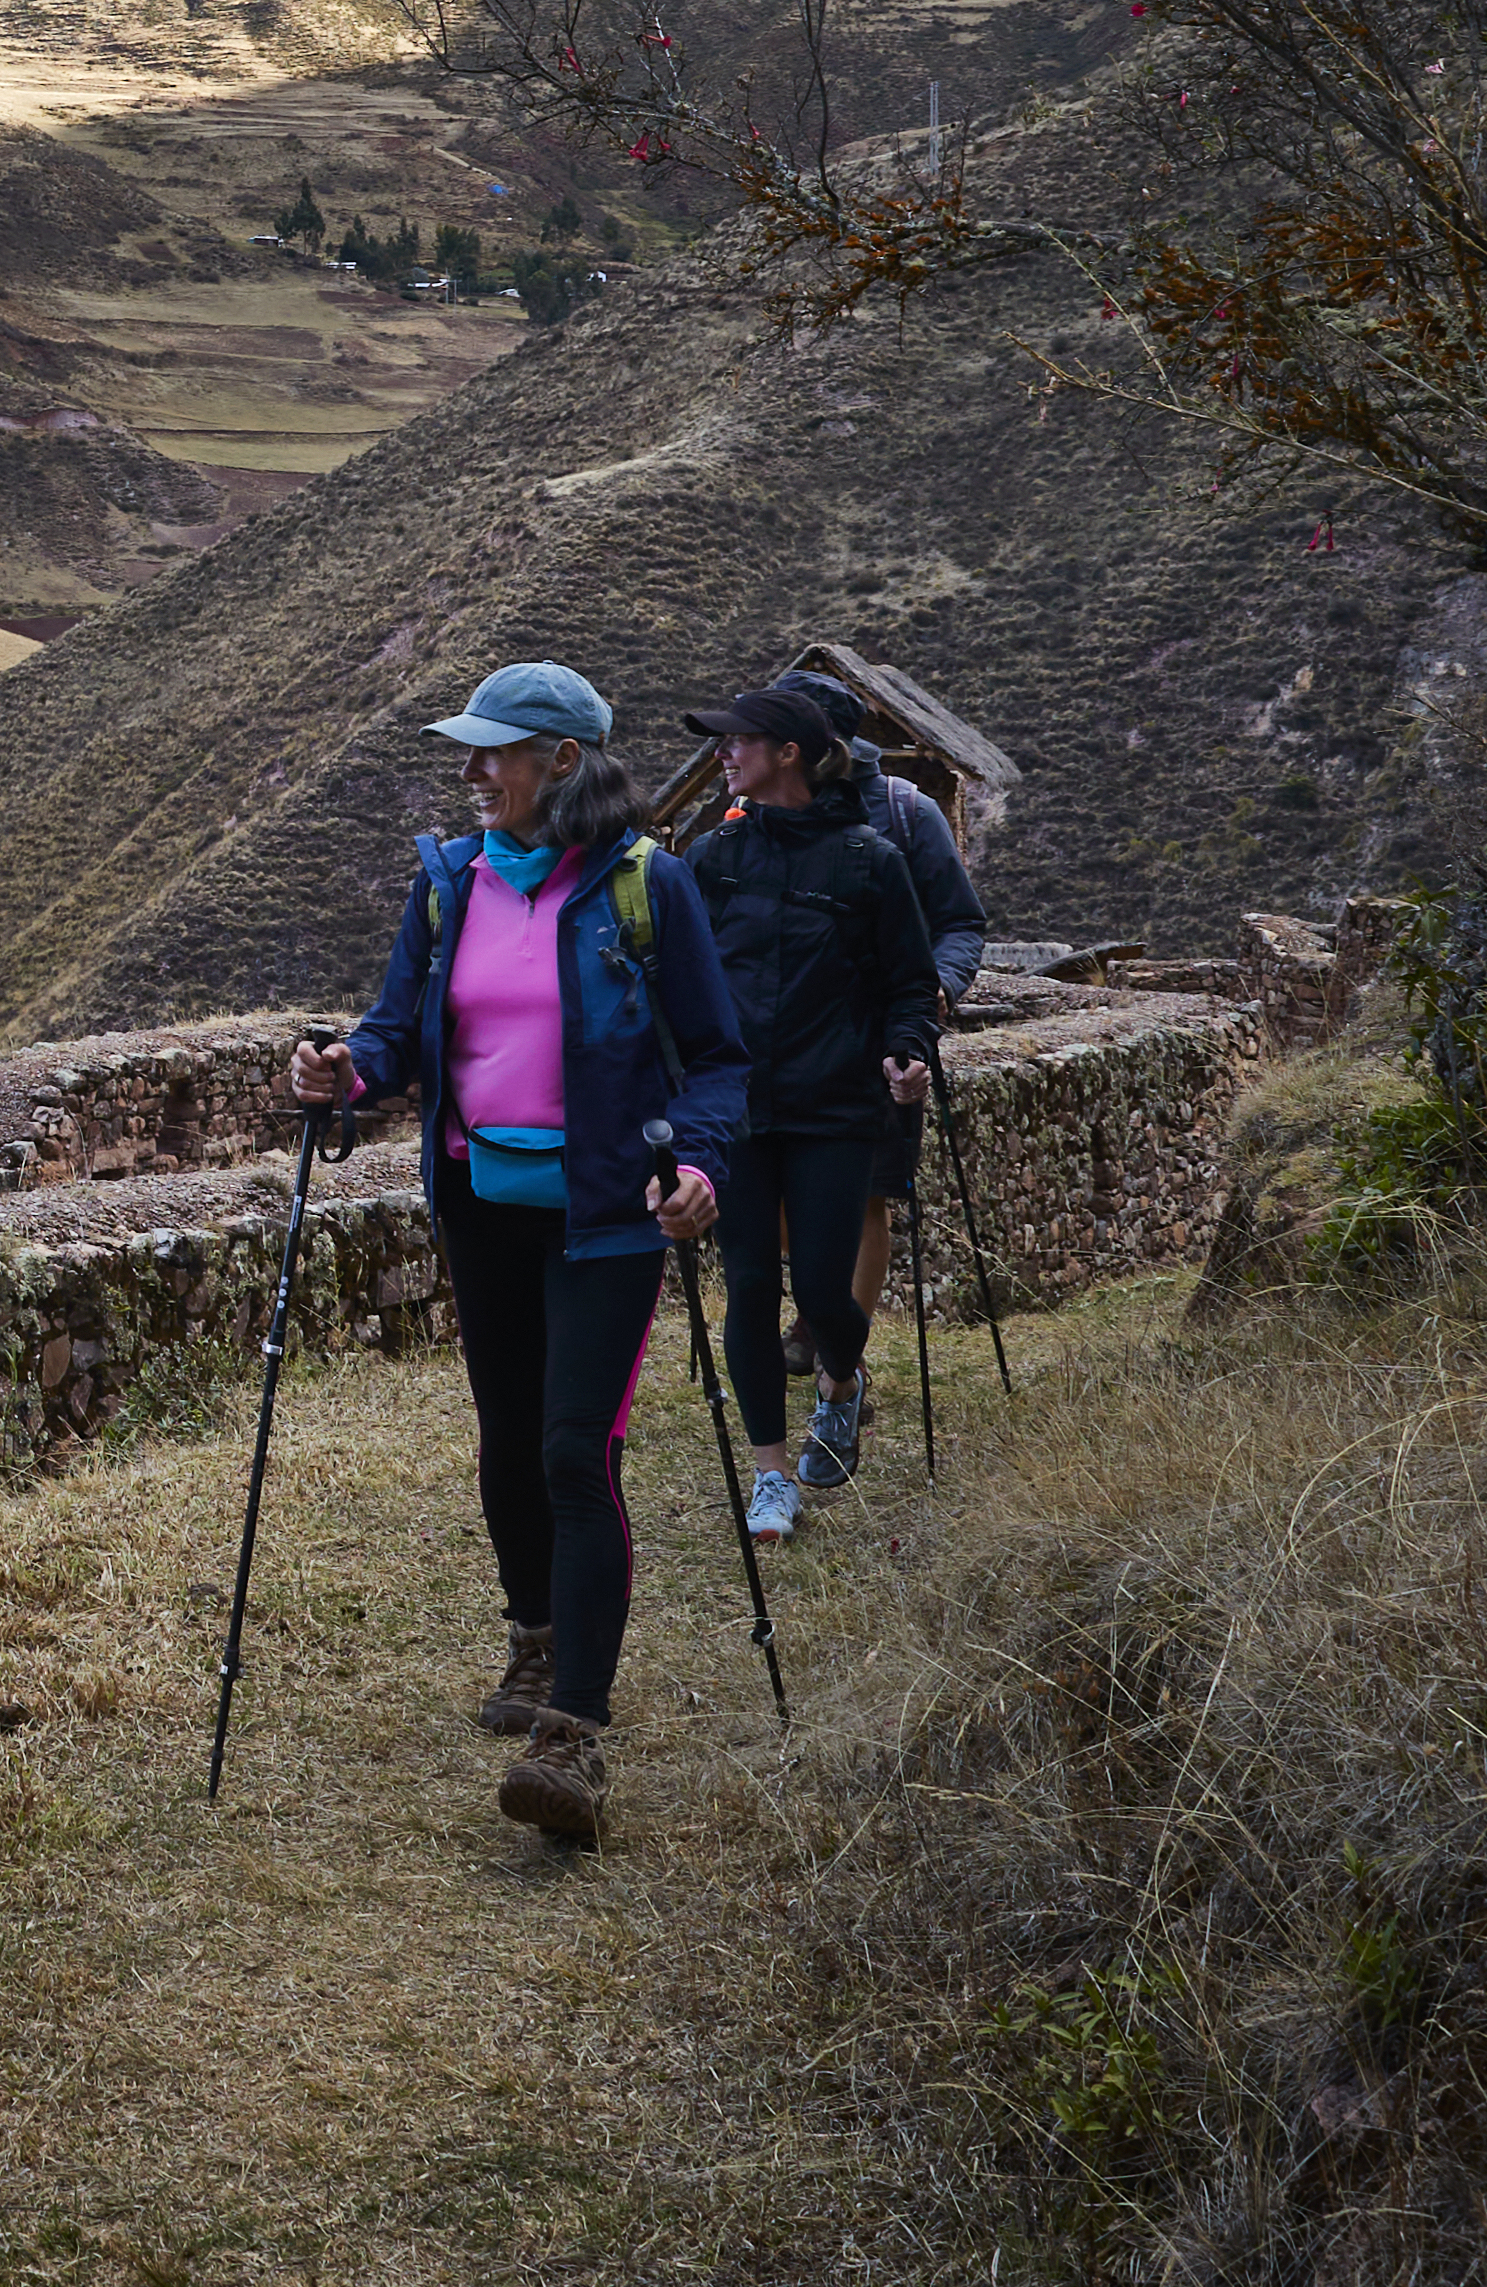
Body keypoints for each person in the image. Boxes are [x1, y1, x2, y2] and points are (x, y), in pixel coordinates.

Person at [282, 659, 750, 1844]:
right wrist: (346, 1071)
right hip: (483, 1208)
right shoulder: (447, 887)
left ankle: (573, 1737)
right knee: (506, 1442)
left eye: (498, 749)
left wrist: (699, 1166)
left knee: (572, 1452)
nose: (474, 768)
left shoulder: (652, 888)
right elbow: (397, 1030)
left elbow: (719, 1059)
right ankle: (536, 1638)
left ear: (565, 762)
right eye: (473, 748)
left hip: (605, 1218)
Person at [675, 688, 945, 1540]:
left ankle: (840, 1382)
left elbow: (909, 984)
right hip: (737, 1110)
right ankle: (770, 1476)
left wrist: (908, 1049)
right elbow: (677, 976)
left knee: (826, 1287)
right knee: (751, 1284)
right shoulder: (710, 856)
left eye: (737, 742)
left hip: (835, 1106)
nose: (723, 755)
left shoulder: (869, 861)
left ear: (788, 751)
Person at [768, 670, 986, 1369]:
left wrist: (937, 994)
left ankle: (841, 1355)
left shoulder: (903, 811)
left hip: (880, 1040)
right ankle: (819, 1310)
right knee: (773, 1191)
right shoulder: (749, 814)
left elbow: (958, 922)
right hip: (781, 1042)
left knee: (864, 1198)